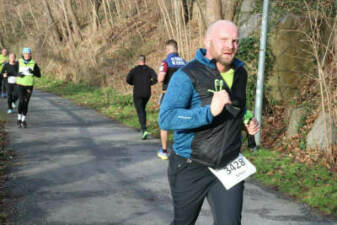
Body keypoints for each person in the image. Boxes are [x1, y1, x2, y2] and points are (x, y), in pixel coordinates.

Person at [158, 20, 259, 225]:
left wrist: (245, 122)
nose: (230, 46)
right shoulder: (187, 74)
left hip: (228, 164)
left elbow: (235, 107)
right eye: (224, 40)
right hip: (190, 164)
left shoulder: (240, 73)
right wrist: (208, 112)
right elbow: (166, 117)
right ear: (208, 41)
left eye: (235, 41)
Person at [157, 39, 186, 160]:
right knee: (181, 121)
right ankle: (180, 150)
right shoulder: (185, 62)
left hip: (168, 95)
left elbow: (160, 79)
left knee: (164, 123)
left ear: (168, 49)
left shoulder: (165, 62)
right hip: (183, 96)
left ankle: (164, 151)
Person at [126, 55, 157, 139]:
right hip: (147, 93)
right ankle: (144, 128)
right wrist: (149, 84)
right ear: (145, 61)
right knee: (142, 109)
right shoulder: (149, 69)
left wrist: (134, 83)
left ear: (138, 61)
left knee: (140, 111)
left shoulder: (134, 70)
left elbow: (128, 79)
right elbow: (155, 79)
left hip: (137, 93)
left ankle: (144, 130)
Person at [16, 48, 41, 128]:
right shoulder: (18, 62)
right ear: (23, 54)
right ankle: (18, 118)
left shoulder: (34, 63)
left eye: (28, 53)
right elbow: (13, 71)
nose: (27, 55)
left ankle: (23, 120)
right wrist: (18, 74)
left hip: (29, 85)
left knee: (26, 103)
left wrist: (33, 72)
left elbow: (39, 75)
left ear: (30, 54)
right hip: (20, 84)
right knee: (21, 101)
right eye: (25, 53)